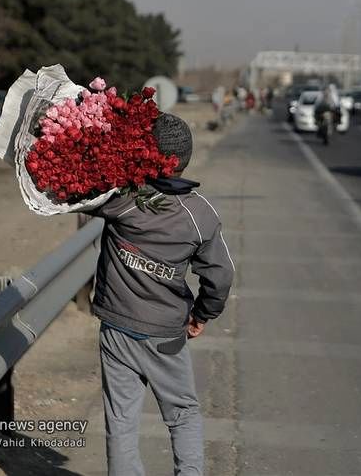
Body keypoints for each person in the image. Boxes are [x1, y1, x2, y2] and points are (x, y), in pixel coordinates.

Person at [87, 112, 235, 476]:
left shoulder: (121, 200)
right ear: (185, 159)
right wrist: (202, 314)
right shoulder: (199, 214)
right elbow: (221, 275)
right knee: (182, 414)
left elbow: (81, 192)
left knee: (121, 422)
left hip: (117, 329)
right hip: (167, 336)